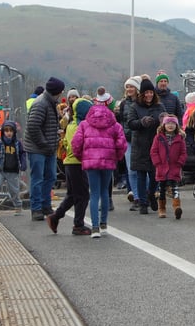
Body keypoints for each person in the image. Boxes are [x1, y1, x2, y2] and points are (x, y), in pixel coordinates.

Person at [72, 102, 127, 238]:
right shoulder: (114, 125)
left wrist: (82, 157)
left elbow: (76, 143)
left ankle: (95, 227)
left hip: (91, 162)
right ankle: (104, 224)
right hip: (108, 161)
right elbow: (122, 144)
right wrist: (116, 157)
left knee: (94, 193)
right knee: (104, 192)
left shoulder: (84, 124)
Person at [46, 98, 93, 236]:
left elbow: (66, 142)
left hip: (69, 163)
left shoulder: (71, 124)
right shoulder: (79, 126)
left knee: (72, 195)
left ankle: (55, 217)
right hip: (76, 163)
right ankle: (78, 225)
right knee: (83, 195)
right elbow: (75, 145)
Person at [24, 76, 65, 221]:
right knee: (37, 178)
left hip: (48, 148)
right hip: (38, 148)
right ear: (57, 91)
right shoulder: (41, 104)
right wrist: (44, 144)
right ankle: (36, 208)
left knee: (50, 177)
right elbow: (33, 127)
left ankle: (45, 205)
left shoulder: (50, 102)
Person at [128, 78, 165, 214]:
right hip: (140, 145)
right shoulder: (135, 106)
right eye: (146, 93)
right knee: (141, 174)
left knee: (156, 174)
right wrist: (141, 122)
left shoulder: (159, 106)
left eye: (151, 92)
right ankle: (143, 203)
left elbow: (164, 121)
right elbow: (131, 123)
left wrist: (163, 120)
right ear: (142, 94)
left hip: (156, 144)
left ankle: (151, 194)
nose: (149, 95)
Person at [150, 114, 187, 219]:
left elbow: (183, 153)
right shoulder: (158, 137)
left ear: (176, 125)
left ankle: (177, 207)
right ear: (164, 125)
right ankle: (162, 208)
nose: (170, 125)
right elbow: (154, 151)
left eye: (173, 123)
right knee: (162, 189)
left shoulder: (180, 138)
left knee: (175, 188)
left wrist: (180, 163)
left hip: (175, 166)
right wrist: (157, 163)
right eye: (168, 123)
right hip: (161, 167)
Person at [119, 76, 142, 209]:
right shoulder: (123, 104)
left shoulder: (143, 103)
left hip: (141, 140)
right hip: (128, 140)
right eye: (127, 87)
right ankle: (137, 198)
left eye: (131, 86)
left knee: (143, 169)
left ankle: (145, 195)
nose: (129, 89)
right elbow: (122, 121)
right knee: (131, 170)